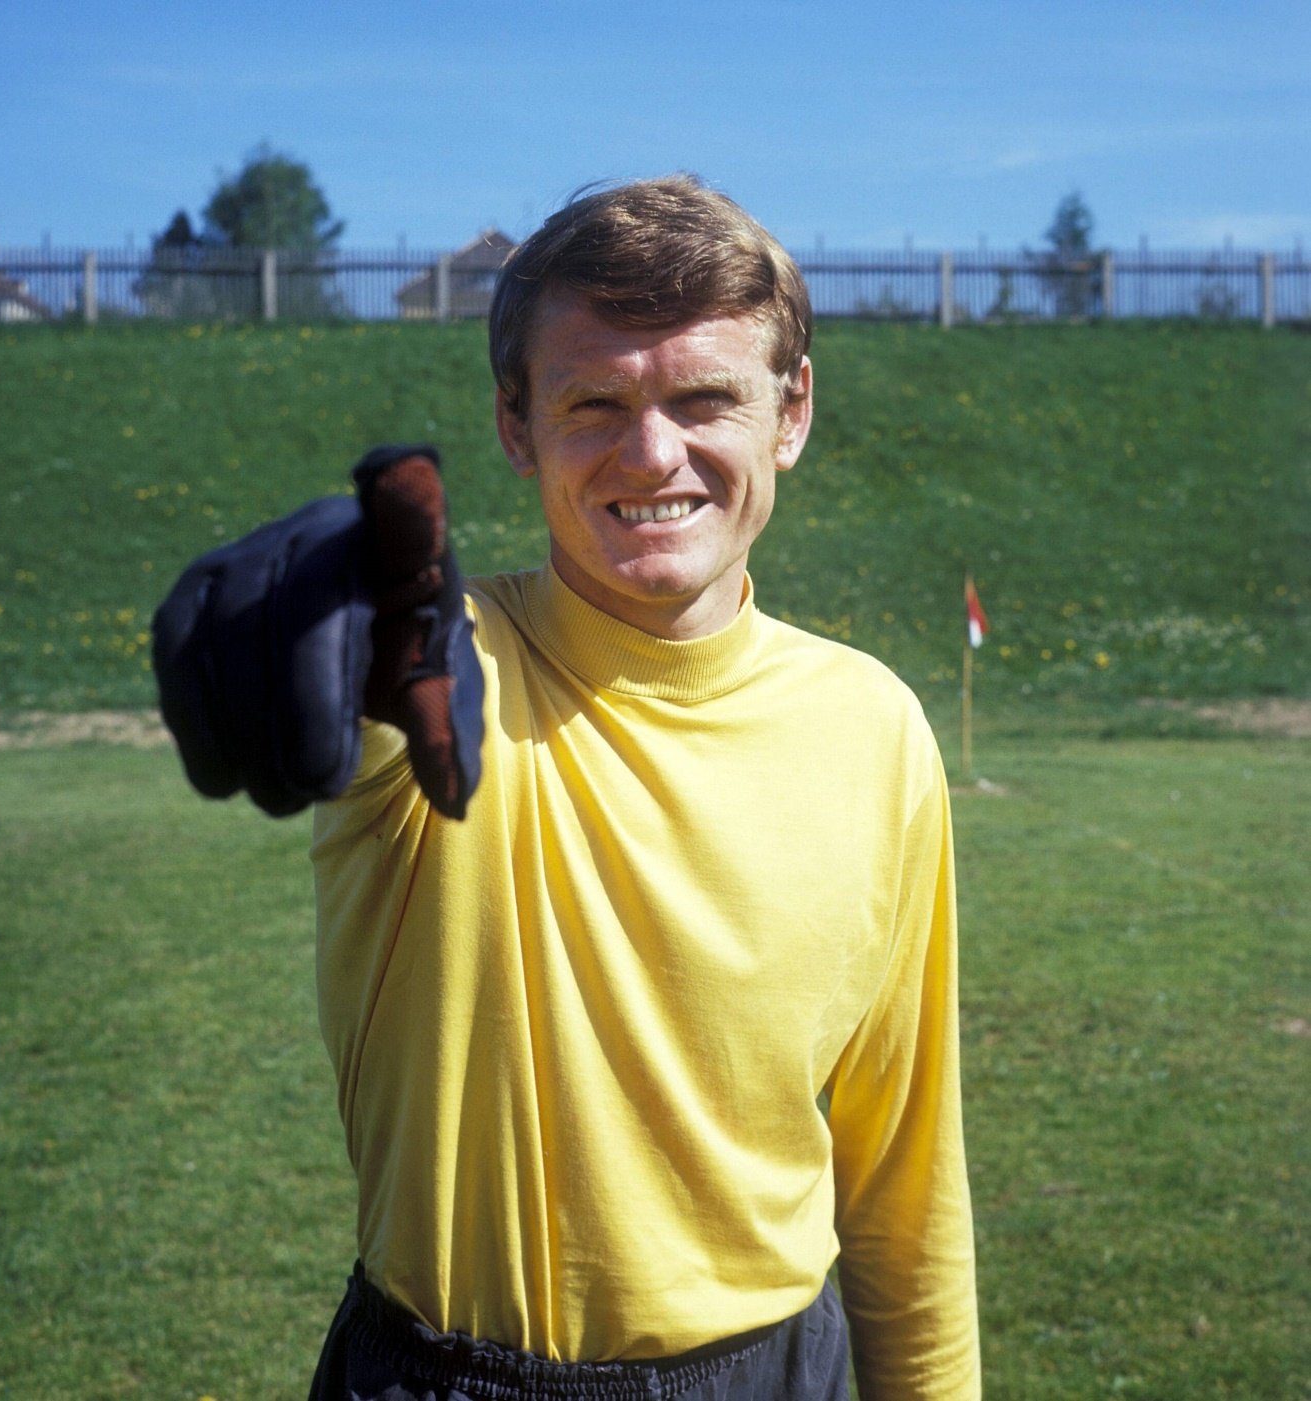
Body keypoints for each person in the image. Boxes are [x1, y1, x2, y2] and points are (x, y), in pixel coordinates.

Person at [154, 175, 980, 1399]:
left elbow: (905, 1164)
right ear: (515, 423)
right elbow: (381, 649)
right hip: (443, 1376)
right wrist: (316, 602)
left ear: (790, 414)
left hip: (781, 1373)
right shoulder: (446, 672)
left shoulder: (876, 729)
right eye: (595, 402)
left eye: (706, 397)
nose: (655, 452)